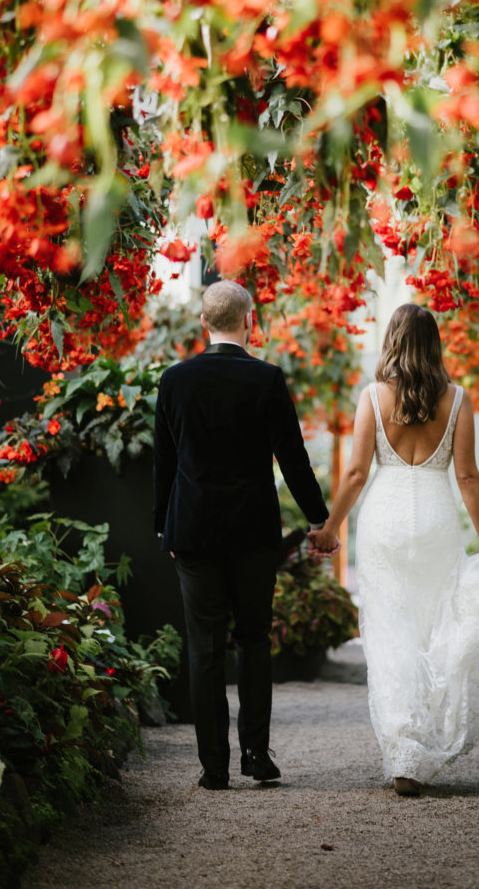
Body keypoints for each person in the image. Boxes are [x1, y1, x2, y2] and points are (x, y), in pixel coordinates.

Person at [308, 303, 479, 796]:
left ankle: (404, 750)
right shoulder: (457, 400)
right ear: (434, 346)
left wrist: (329, 529)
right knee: (436, 628)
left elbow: (356, 473)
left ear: (392, 340)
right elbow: (468, 476)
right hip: (435, 523)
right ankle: (425, 741)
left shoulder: (373, 396)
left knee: (392, 636)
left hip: (385, 524)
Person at [153, 280, 331, 791]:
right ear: (249, 320)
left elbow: (162, 463)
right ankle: (256, 754)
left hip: (191, 530)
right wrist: (318, 519)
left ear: (203, 323)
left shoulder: (175, 380)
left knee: (204, 646)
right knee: (254, 639)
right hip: (254, 530)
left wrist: (162, 524)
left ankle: (213, 767)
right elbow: (292, 457)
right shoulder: (267, 379)